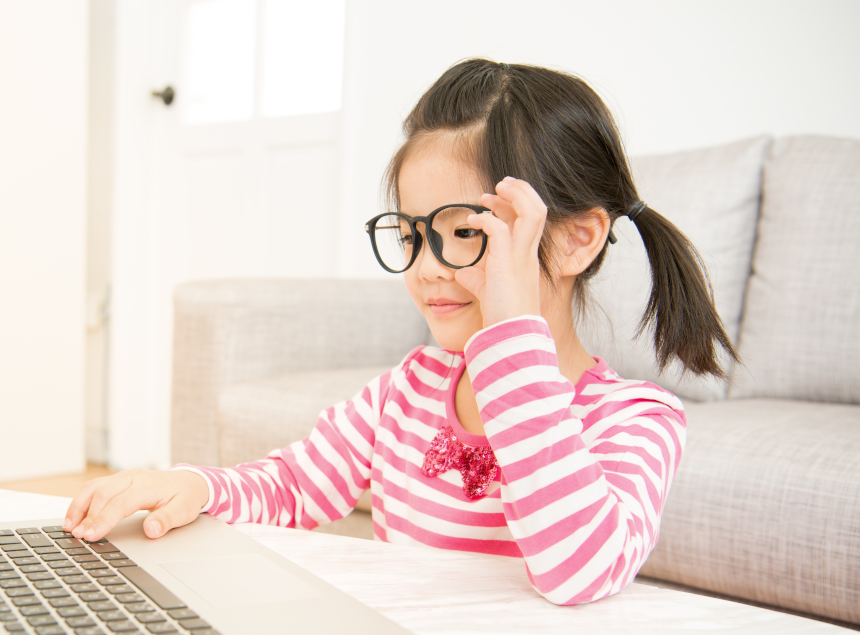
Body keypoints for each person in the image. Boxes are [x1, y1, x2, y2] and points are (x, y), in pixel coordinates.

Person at [63, 59, 736, 605]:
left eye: (467, 233)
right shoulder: (409, 392)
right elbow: (296, 484)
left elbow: (579, 570)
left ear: (573, 240)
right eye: (414, 235)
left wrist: (511, 329)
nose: (425, 270)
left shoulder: (636, 420)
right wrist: (197, 487)